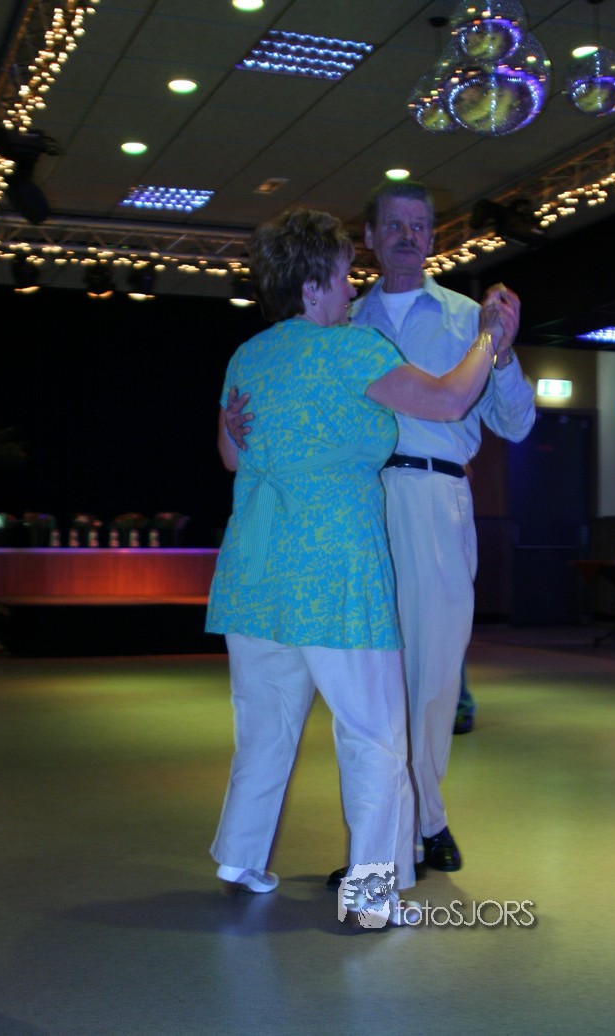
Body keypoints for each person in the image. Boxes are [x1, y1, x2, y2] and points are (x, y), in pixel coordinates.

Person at [206, 206, 506, 925]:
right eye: (343, 275)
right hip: (335, 572)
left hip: (255, 573)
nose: (352, 287)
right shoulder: (352, 349)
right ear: (312, 285)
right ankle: (372, 897)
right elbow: (449, 399)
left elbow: (230, 455)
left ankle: (239, 857)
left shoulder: (248, 355)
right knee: (374, 737)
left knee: (264, 727)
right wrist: (489, 337)